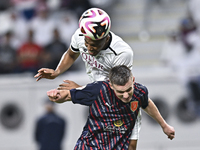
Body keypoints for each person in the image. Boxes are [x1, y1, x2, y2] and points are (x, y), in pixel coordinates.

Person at [34, 7, 141, 150]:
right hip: (100, 103)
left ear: (106, 37)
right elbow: (72, 53)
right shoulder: (80, 35)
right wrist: (56, 72)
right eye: (87, 42)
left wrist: (76, 92)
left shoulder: (122, 53)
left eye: (95, 44)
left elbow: (112, 93)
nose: (89, 48)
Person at [47, 65, 175, 150]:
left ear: (133, 81)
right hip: (90, 147)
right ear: (111, 85)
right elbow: (67, 95)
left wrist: (164, 125)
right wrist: (56, 96)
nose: (126, 96)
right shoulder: (97, 90)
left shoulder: (140, 92)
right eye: (120, 92)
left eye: (128, 90)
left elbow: (146, 103)